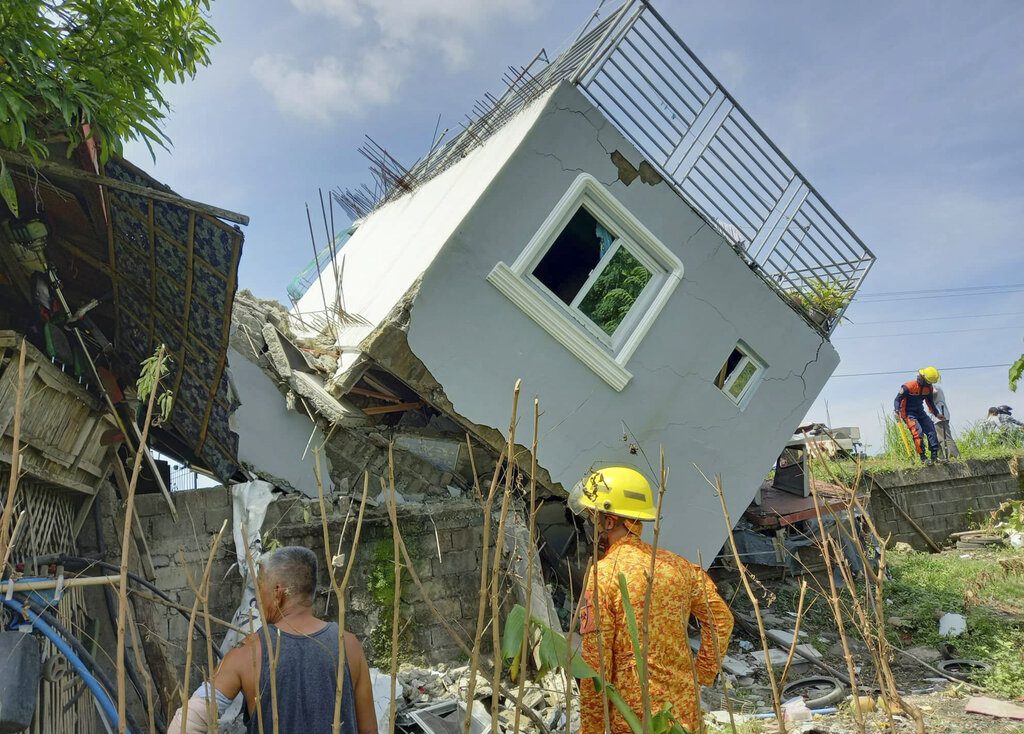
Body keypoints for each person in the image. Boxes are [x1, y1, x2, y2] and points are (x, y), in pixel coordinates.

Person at [570, 467, 734, 734]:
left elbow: (596, 662)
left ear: (609, 522)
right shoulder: (678, 565)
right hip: (683, 712)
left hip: (634, 717)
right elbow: (722, 620)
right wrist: (701, 674)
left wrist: (592, 727)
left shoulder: (605, 574)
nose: (589, 524)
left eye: (592, 517)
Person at [168, 546, 378, 734]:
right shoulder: (349, 646)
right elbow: (368, 730)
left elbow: (185, 725)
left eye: (260, 588)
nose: (258, 599)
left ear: (278, 593)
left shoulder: (248, 653)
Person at [894, 366, 945, 465]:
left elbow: (930, 402)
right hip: (908, 414)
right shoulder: (908, 387)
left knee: (931, 430)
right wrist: (896, 411)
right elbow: (897, 399)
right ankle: (923, 458)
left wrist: (937, 414)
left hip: (920, 413)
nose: (929, 384)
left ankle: (934, 456)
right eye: (928, 382)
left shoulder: (928, 388)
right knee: (918, 433)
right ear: (922, 378)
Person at [931, 385, 959, 459]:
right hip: (940, 414)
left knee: (944, 437)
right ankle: (942, 457)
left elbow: (934, 392)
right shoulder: (936, 386)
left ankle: (954, 456)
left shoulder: (932, 386)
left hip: (939, 414)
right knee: (939, 438)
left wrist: (929, 399)